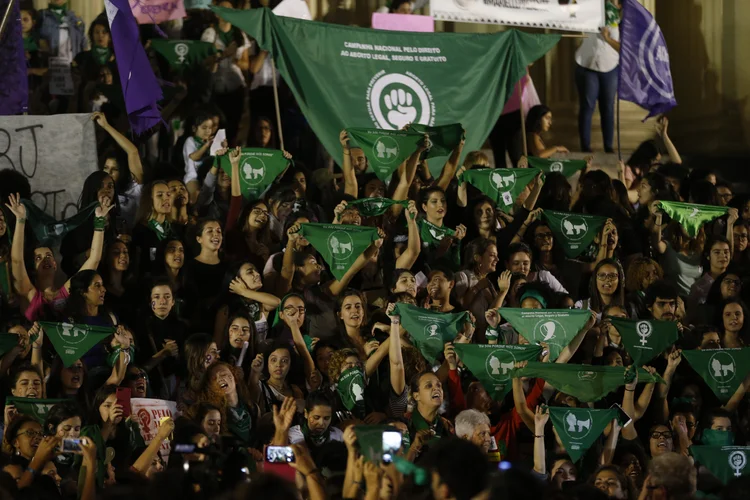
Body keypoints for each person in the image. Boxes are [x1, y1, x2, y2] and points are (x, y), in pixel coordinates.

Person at [574, 1, 620, 153]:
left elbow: (624, 48)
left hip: (610, 65)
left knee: (607, 107)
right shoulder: (592, 6)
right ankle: (585, 147)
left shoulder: (623, 17)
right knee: (587, 106)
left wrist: (607, 38)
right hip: (588, 64)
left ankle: (608, 146)